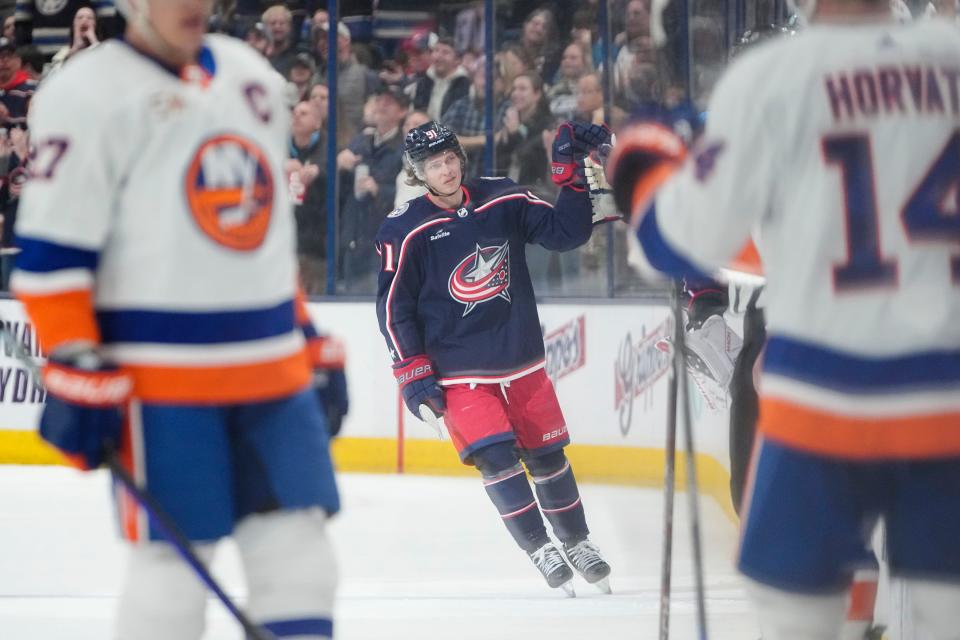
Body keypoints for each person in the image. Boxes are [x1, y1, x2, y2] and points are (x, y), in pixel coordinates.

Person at [607, 0, 960, 637]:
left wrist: (644, 161)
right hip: (947, 402)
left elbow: (674, 242)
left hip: (822, 402)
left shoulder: (775, 77)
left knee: (797, 615)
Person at [10, 0, 341, 638]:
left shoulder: (252, 77)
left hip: (271, 374)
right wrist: (75, 359)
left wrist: (305, 335)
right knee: (172, 572)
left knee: (300, 559)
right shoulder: (85, 91)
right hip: (164, 384)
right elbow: (54, 259)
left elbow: (262, 235)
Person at [375, 121, 613, 596]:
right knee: (495, 458)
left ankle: (577, 541)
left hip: (521, 359)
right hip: (459, 373)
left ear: (460, 158)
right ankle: (540, 547)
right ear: (418, 173)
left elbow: (565, 234)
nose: (445, 170)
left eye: (449, 159)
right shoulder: (404, 229)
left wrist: (568, 179)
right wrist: (413, 374)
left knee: (548, 457)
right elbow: (392, 309)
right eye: (433, 164)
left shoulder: (502, 198)